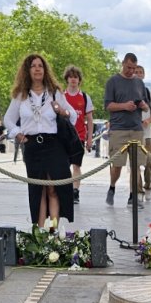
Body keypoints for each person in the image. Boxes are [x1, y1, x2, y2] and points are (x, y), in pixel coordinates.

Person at [4, 53, 78, 229]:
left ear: (45, 70)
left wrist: (62, 111)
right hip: (32, 146)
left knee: (53, 188)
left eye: (41, 66)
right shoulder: (21, 95)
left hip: (54, 144)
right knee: (39, 189)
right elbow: (8, 119)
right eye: (33, 66)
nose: (38, 69)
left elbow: (73, 115)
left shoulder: (54, 92)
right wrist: (17, 133)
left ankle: (53, 229)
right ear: (27, 71)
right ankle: (39, 232)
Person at [103, 53, 148, 208]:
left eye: (134, 68)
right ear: (123, 64)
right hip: (118, 129)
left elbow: (147, 105)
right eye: (129, 67)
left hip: (136, 129)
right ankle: (112, 186)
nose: (131, 71)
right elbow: (108, 105)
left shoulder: (139, 83)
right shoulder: (113, 81)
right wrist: (124, 106)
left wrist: (143, 105)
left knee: (135, 166)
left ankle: (133, 196)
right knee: (117, 165)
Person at [61, 66, 94, 203]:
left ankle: (75, 191)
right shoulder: (61, 97)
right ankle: (64, 190)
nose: (73, 79)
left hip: (79, 136)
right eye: (71, 76)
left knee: (76, 165)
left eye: (76, 77)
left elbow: (90, 119)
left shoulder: (85, 97)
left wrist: (90, 138)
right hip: (63, 136)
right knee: (63, 165)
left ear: (79, 80)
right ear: (67, 79)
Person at [135, 64, 151, 195]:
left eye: (140, 72)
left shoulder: (149, 93)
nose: (138, 74)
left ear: (143, 75)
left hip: (147, 133)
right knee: (135, 163)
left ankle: (147, 183)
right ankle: (138, 188)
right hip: (134, 132)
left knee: (148, 161)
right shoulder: (128, 92)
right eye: (135, 72)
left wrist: (148, 120)